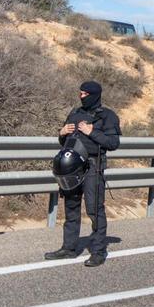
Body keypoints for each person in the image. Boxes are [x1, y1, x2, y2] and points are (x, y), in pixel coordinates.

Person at [44, 81, 121, 267]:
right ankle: (69, 248)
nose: (81, 96)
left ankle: (98, 251)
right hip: (71, 168)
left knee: (94, 210)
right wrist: (62, 133)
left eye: (85, 94)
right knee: (71, 207)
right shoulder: (74, 113)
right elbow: (65, 141)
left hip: (93, 168)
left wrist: (92, 132)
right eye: (80, 93)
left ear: (94, 94)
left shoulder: (107, 116)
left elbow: (113, 143)